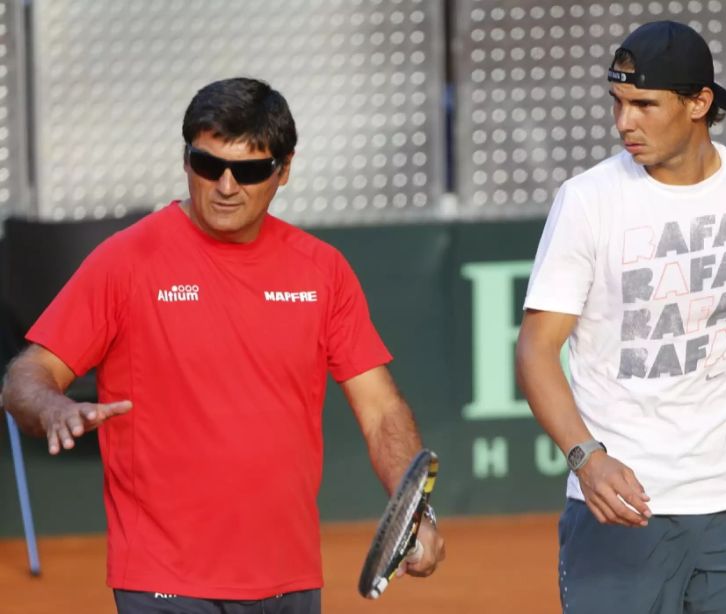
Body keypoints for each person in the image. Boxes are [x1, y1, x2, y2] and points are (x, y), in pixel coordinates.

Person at [3, 77, 445, 614]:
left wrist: (415, 512)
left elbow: (381, 411)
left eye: (251, 170)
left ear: (284, 171)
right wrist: (53, 407)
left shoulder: (323, 271)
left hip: (288, 578)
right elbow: (30, 373)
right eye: (208, 165)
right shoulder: (126, 262)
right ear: (186, 161)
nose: (226, 185)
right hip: (162, 579)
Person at [515, 20, 726, 614]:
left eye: (644, 104)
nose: (624, 122)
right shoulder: (587, 200)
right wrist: (585, 458)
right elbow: (536, 349)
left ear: (700, 103)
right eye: (618, 103)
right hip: (618, 516)